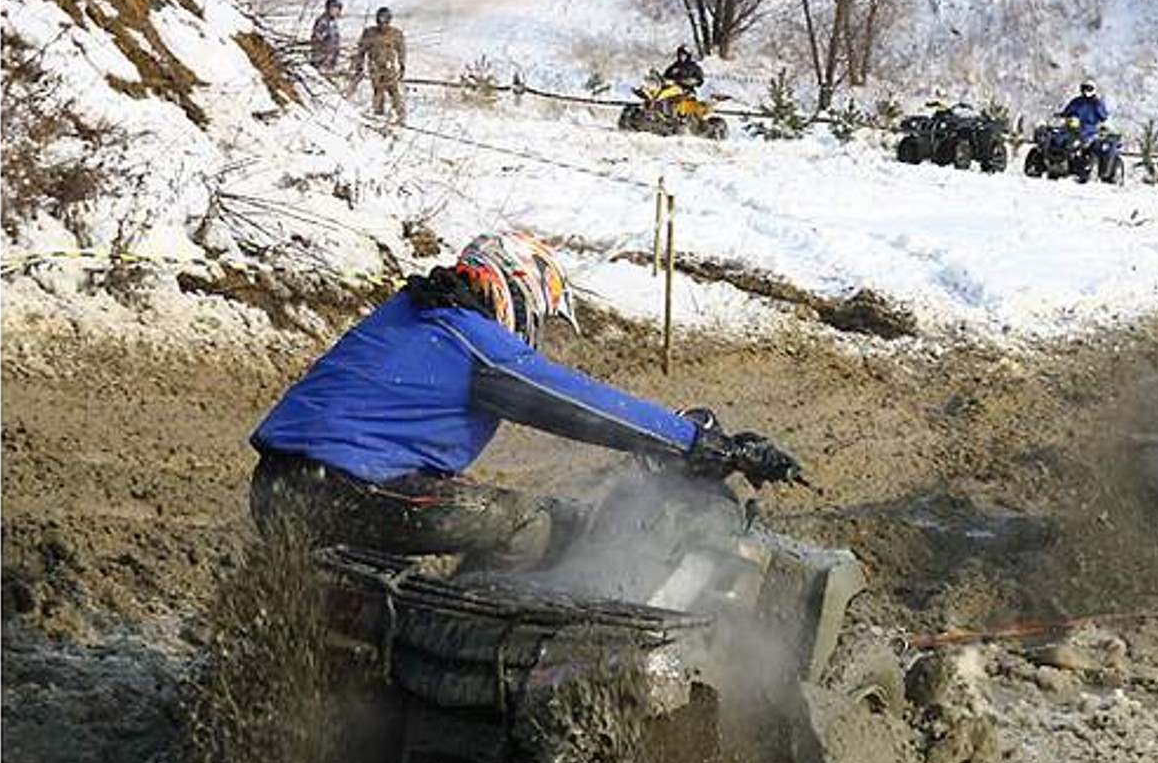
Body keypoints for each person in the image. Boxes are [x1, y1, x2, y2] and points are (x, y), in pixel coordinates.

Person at [249, 230, 800, 567]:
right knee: (549, 524)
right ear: (517, 287)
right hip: (363, 491)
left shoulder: (406, 313)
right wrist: (700, 443)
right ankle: (492, 666)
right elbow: (579, 404)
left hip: (276, 487)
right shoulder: (473, 336)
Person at [350, 7, 407, 124]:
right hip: (375, 67)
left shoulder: (395, 33)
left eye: (385, 20)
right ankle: (378, 116)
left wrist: (402, 65)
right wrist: (358, 67)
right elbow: (361, 51)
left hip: (389, 68)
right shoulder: (369, 33)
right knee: (378, 92)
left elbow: (402, 50)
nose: (383, 23)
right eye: (380, 20)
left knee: (394, 92)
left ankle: (401, 116)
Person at [309, 0, 343, 73]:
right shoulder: (322, 21)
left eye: (337, 8)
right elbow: (317, 38)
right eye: (334, 8)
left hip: (330, 58)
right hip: (322, 59)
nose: (336, 11)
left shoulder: (333, 22)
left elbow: (336, 39)